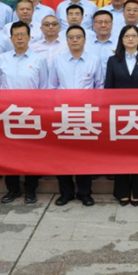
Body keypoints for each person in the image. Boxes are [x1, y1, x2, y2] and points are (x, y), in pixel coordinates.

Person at [0, 21, 47, 205]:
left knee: (31, 153)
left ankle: (30, 190)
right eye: (16, 35)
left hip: (31, 113)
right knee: (9, 154)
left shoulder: (39, 59)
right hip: (8, 113)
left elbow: (44, 87)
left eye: (23, 34)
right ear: (10, 38)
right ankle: (13, 189)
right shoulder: (2, 59)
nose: (19, 38)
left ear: (29, 37)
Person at [49, 25, 103, 206]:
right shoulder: (58, 60)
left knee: (84, 155)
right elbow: (52, 86)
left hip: (86, 114)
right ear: (66, 40)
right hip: (63, 113)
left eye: (78, 37)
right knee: (61, 155)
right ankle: (66, 192)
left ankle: (85, 193)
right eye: (71, 37)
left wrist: (95, 110)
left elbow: (99, 86)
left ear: (85, 40)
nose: (74, 40)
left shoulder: (94, 60)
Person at [105, 25, 138, 206]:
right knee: (120, 152)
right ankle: (121, 191)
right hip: (118, 113)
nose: (130, 39)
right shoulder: (113, 60)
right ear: (121, 39)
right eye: (127, 36)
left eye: (134, 36)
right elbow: (108, 87)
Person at [86, 10, 118, 76]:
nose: (103, 25)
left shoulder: (119, 43)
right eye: (99, 22)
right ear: (93, 25)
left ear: (112, 24)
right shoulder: (86, 44)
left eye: (106, 22)